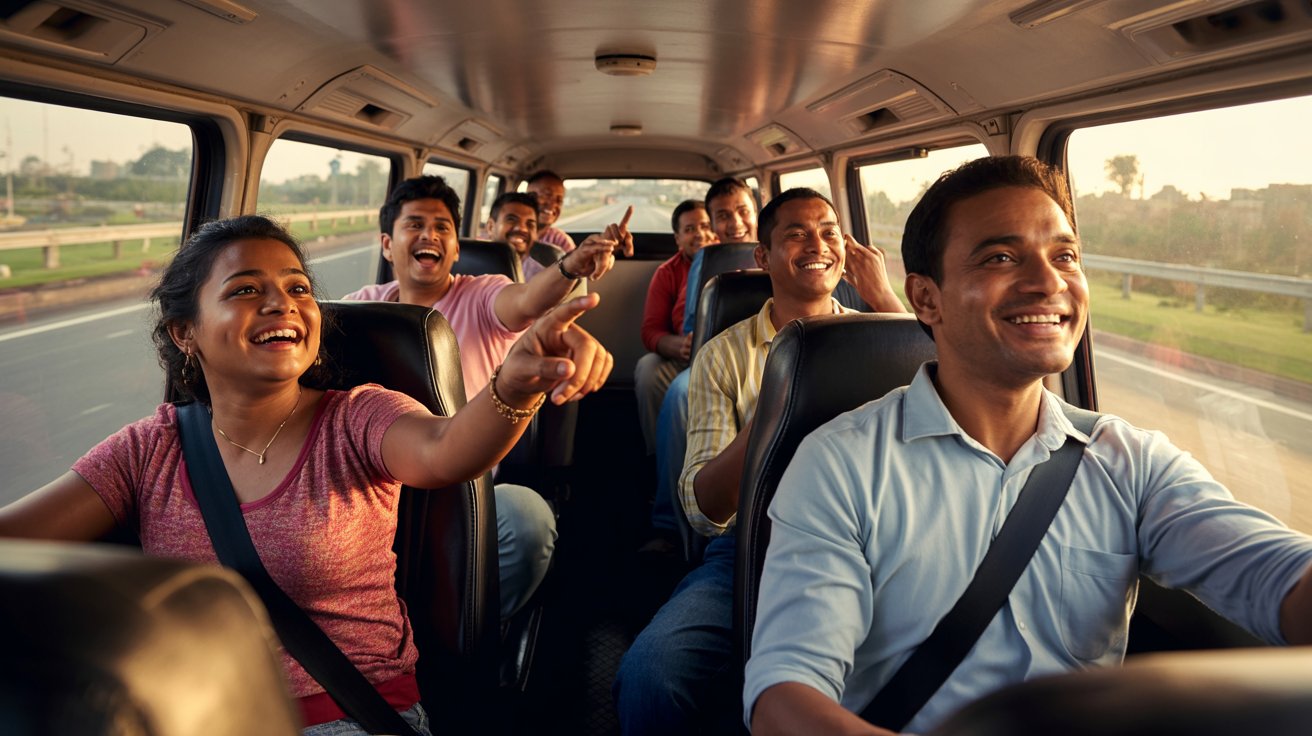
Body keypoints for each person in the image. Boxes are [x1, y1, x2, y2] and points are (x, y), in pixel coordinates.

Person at [745, 156, 1312, 735]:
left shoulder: (1131, 462)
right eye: (1001, 257)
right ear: (926, 298)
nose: (1050, 282)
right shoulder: (841, 463)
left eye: (1065, 255)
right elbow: (785, 695)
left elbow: (1283, 578)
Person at [0, 214, 612, 735]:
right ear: (185, 332)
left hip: (341, 714)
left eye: (298, 288)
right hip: (192, 715)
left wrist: (514, 383)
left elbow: (447, 451)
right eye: (245, 290)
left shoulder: (357, 416)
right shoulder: (147, 448)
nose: (281, 303)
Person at [614, 188, 905, 735]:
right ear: (762, 256)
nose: (817, 244)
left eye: (829, 231)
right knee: (649, 678)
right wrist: (778, 406)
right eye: (796, 233)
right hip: (754, 547)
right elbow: (703, 510)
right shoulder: (724, 355)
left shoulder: (883, 338)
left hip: (879, 547)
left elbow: (952, 384)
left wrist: (884, 298)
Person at [344, 175, 632, 619]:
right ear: (387, 244)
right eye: (415, 225)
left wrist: (571, 266)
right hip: (371, 487)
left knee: (527, 517)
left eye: (442, 228)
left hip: (466, 489)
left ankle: (475, 632)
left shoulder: (481, 294)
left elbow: (527, 300)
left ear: (456, 249)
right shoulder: (363, 305)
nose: (430, 236)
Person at [633, 199, 716, 457]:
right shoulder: (667, 273)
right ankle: (658, 456)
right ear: (678, 239)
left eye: (705, 225)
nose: (700, 233)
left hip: (725, 354)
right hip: (684, 357)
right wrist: (678, 345)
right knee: (647, 368)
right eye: (690, 229)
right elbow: (650, 331)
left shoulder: (736, 260)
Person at [485, 190, 548, 279]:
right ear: (491, 227)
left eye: (530, 224)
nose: (522, 229)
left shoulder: (542, 280)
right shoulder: (469, 268)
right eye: (511, 220)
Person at [526, 170, 575, 252]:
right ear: (529, 197)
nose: (553, 205)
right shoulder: (512, 234)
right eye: (547, 195)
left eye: (559, 200)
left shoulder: (561, 241)